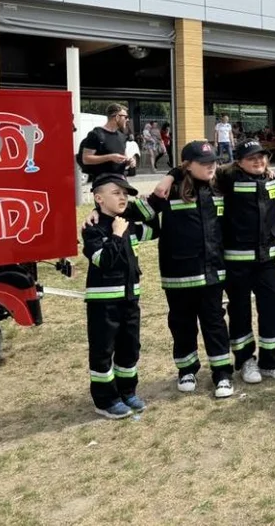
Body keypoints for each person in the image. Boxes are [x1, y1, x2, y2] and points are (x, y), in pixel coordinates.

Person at [147, 141, 234, 399]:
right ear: (187, 165)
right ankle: (186, 369)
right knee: (182, 323)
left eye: (213, 162)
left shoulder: (219, 186)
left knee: (214, 323)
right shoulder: (170, 190)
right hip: (179, 274)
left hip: (212, 272)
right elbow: (141, 212)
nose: (210, 167)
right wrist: (97, 215)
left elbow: (244, 166)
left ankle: (222, 373)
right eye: (203, 163)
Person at [81, 174, 159, 419]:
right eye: (116, 193)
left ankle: (127, 392)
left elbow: (155, 230)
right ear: (98, 198)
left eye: (125, 193)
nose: (123, 197)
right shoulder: (92, 229)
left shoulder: (128, 224)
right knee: (103, 351)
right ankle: (105, 400)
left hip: (129, 299)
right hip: (103, 303)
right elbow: (103, 261)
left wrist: (136, 208)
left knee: (129, 349)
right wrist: (115, 235)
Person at [80, 103, 132, 183]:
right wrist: (110, 157)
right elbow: (86, 159)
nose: (127, 120)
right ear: (117, 117)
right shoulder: (96, 134)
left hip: (121, 181)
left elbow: (123, 158)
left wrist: (129, 161)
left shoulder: (122, 136)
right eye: (125, 117)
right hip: (103, 183)